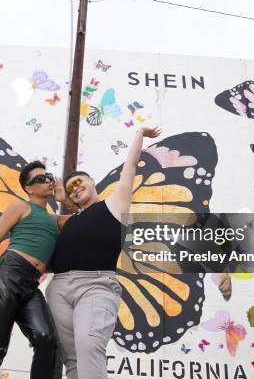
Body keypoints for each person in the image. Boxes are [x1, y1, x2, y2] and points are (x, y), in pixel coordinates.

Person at [47, 127, 162, 379]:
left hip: (96, 285)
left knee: (89, 346)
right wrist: (60, 199)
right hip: (59, 289)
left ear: (92, 180)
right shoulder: (70, 219)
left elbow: (129, 167)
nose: (76, 188)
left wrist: (140, 134)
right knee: (72, 358)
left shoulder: (114, 204)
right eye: (70, 188)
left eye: (79, 182)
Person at [0, 161, 65, 379]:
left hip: (31, 284)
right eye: (40, 178)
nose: (48, 181)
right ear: (28, 188)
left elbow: (84, 220)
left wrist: (63, 200)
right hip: (6, 275)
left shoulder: (55, 220)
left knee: (47, 338)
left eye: (49, 176)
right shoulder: (20, 207)